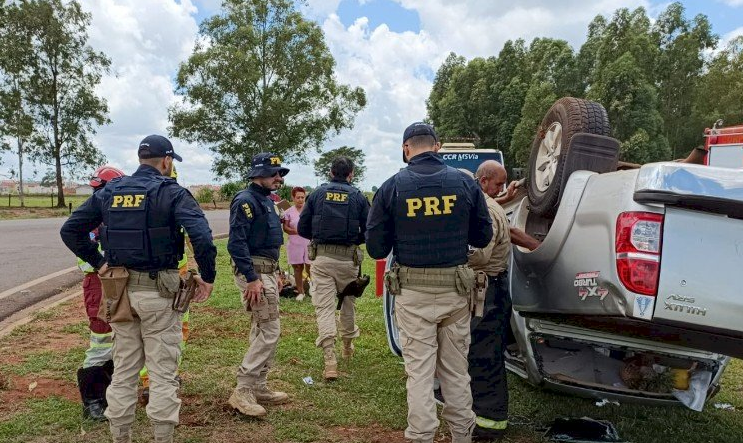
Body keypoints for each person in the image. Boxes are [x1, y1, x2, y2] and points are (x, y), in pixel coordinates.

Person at [60, 135, 217, 443]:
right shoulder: (172, 192)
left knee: (124, 371)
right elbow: (202, 237)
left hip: (120, 295)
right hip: (159, 295)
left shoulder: (110, 192)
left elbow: (70, 229)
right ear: (167, 161)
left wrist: (100, 263)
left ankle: (120, 437)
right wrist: (207, 277)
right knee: (161, 374)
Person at [366, 122, 493, 443]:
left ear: (406, 149)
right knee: (455, 372)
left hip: (413, 294)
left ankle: (421, 435)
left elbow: (376, 248)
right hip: (456, 292)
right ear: (437, 147)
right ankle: (462, 435)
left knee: (420, 374)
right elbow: (482, 236)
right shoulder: (465, 185)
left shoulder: (392, 187)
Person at [467, 160, 540, 441]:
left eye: (502, 185)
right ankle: (486, 415)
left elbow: (480, 255)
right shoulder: (489, 205)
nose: (501, 189)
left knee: (483, 355)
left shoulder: (484, 208)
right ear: (484, 181)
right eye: (498, 184)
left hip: (487, 291)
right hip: (493, 290)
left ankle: (489, 423)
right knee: (486, 351)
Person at [227, 152, 291, 417]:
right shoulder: (245, 200)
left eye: (280, 174)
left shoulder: (266, 200)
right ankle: (243, 389)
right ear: (257, 174)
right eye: (274, 173)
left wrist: (276, 271)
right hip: (255, 274)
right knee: (269, 329)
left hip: (267, 271)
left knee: (262, 327)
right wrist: (252, 278)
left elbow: (267, 240)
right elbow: (236, 243)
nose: (279, 178)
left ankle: (259, 385)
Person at [297, 156, 370, 381]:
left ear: (330, 172)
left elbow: (302, 228)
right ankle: (347, 347)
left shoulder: (317, 194)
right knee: (348, 303)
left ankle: (330, 361)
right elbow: (369, 229)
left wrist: (319, 238)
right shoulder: (358, 196)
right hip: (348, 260)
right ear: (351, 174)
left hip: (322, 259)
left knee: (324, 308)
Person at [139, 164, 197, 405]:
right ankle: (156, 381)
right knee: (170, 330)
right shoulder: (174, 197)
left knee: (148, 331)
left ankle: (154, 380)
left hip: (156, 276)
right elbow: (195, 234)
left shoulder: (141, 199)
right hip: (170, 277)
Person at [75, 165, 125, 421]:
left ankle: (108, 392)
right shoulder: (90, 218)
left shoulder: (115, 215)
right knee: (101, 339)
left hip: (119, 283)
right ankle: (92, 399)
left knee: (121, 338)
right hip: (98, 283)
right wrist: (103, 263)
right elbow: (85, 256)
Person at [282, 186, 311, 301]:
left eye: (302, 197)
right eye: (298, 197)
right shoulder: (288, 212)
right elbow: (286, 227)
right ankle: (300, 292)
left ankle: (313, 288)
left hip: (308, 242)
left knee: (310, 267)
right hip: (294, 243)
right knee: (298, 268)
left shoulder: (309, 210)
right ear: (293, 198)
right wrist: (297, 232)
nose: (300, 200)